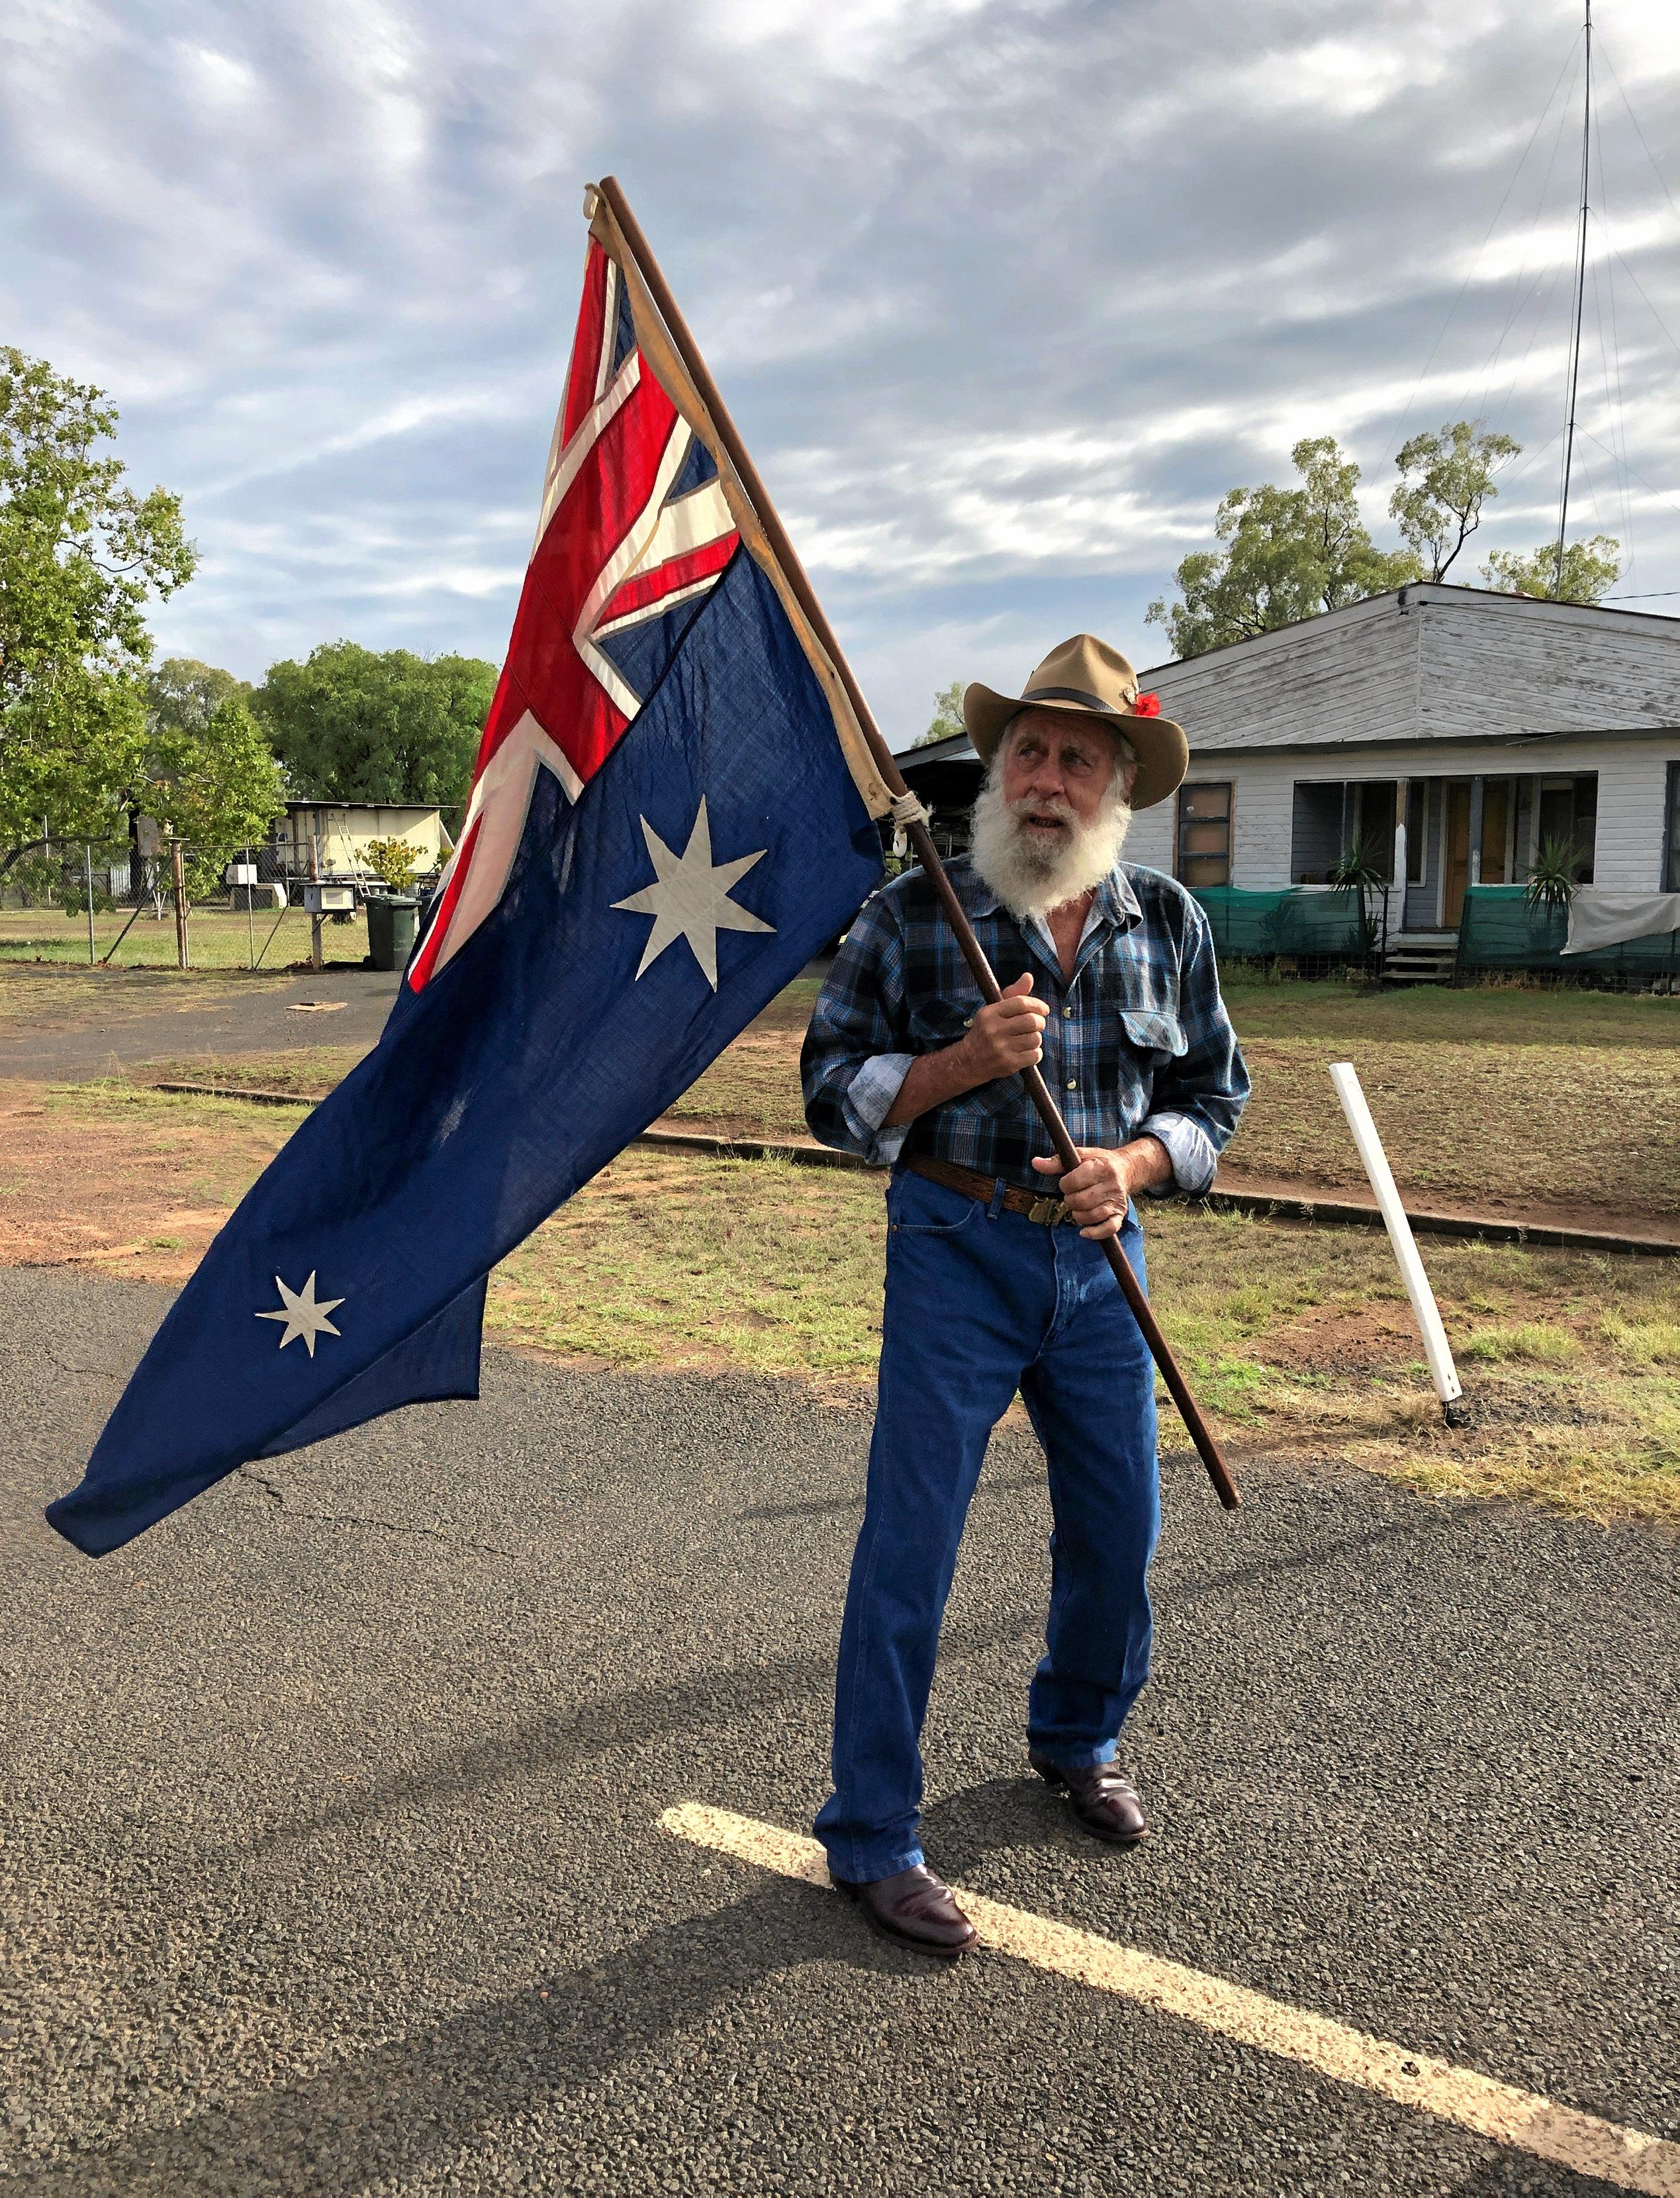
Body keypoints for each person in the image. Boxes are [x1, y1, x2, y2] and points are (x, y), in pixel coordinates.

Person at [800, 633, 1249, 1957]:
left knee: (1122, 1528)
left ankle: (1079, 1735)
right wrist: (955, 1064)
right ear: (999, 770)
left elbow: (1213, 1094)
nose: (1049, 778)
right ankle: (873, 1833)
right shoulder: (911, 913)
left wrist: (1140, 1160)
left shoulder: (1167, 921)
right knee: (910, 1545)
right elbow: (829, 1089)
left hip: (1103, 1266)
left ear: (1120, 785)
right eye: (1030, 752)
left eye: (1079, 758)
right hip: (956, 1242)